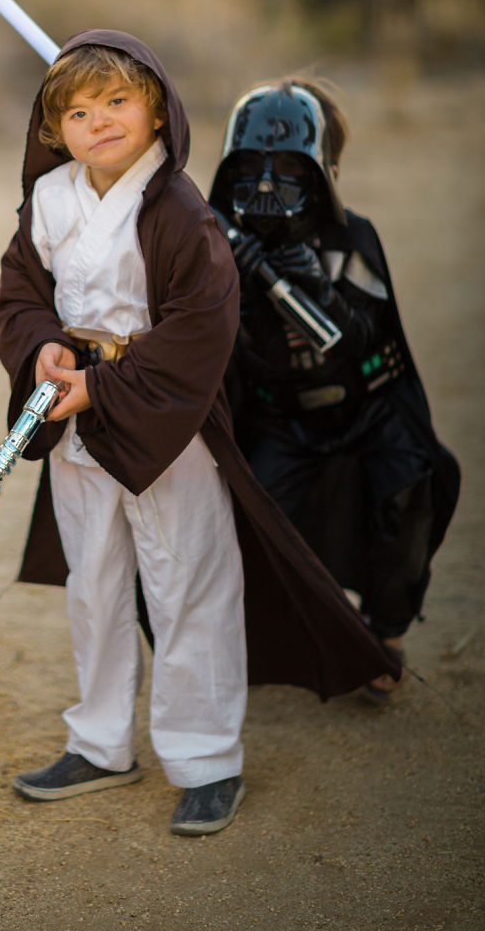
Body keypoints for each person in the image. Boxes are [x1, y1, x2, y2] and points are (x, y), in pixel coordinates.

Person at [0, 31, 400, 838]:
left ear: (157, 114)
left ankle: (207, 758)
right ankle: (102, 742)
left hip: (162, 425)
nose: (98, 121)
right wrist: (42, 342)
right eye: (77, 111)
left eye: (117, 102)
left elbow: (199, 334)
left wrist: (101, 386)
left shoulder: (183, 216)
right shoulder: (50, 202)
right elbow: (20, 291)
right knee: (94, 583)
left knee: (187, 586)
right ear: (52, 130)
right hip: (72, 420)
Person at [208, 78, 460, 702]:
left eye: (290, 170)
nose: (267, 189)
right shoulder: (214, 246)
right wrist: (230, 285)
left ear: (326, 172)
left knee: (409, 484)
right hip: (278, 417)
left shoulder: (351, 240)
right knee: (251, 514)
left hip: (367, 409)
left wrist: (316, 291)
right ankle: (274, 637)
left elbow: (364, 336)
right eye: (252, 170)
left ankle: (387, 630)